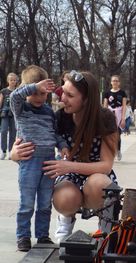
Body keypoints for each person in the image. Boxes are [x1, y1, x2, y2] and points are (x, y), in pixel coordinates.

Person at [11, 70, 119, 245]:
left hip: (96, 174)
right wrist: (14, 154)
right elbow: (37, 139)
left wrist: (70, 166)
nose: (62, 99)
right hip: (68, 176)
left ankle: (105, 225)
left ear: (86, 100)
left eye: (70, 95)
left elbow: (106, 165)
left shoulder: (104, 118)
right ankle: (65, 220)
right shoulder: (60, 117)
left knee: (100, 185)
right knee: (65, 197)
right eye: (62, 92)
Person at [10, 65, 69, 251]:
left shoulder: (49, 112)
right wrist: (34, 86)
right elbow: (14, 96)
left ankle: (43, 236)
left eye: (43, 94)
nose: (39, 97)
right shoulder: (21, 109)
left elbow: (55, 133)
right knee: (27, 203)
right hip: (29, 162)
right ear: (27, 90)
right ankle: (23, 236)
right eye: (35, 93)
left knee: (45, 202)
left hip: (49, 162)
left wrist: (62, 145)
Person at [103, 75, 127, 161]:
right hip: (110, 114)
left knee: (117, 134)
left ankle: (118, 150)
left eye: (116, 81)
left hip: (119, 114)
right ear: (111, 82)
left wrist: (123, 118)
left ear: (119, 83)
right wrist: (104, 117)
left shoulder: (122, 93)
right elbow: (105, 106)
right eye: (113, 81)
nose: (115, 82)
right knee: (109, 135)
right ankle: (110, 152)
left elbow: (124, 106)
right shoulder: (107, 93)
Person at [0, 73, 18, 160]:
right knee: (3, 131)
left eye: (14, 80)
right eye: (11, 80)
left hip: (14, 113)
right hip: (5, 113)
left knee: (13, 132)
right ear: (8, 81)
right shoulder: (3, 91)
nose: (13, 82)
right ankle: (3, 151)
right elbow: (0, 102)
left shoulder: (18, 91)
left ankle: (11, 151)